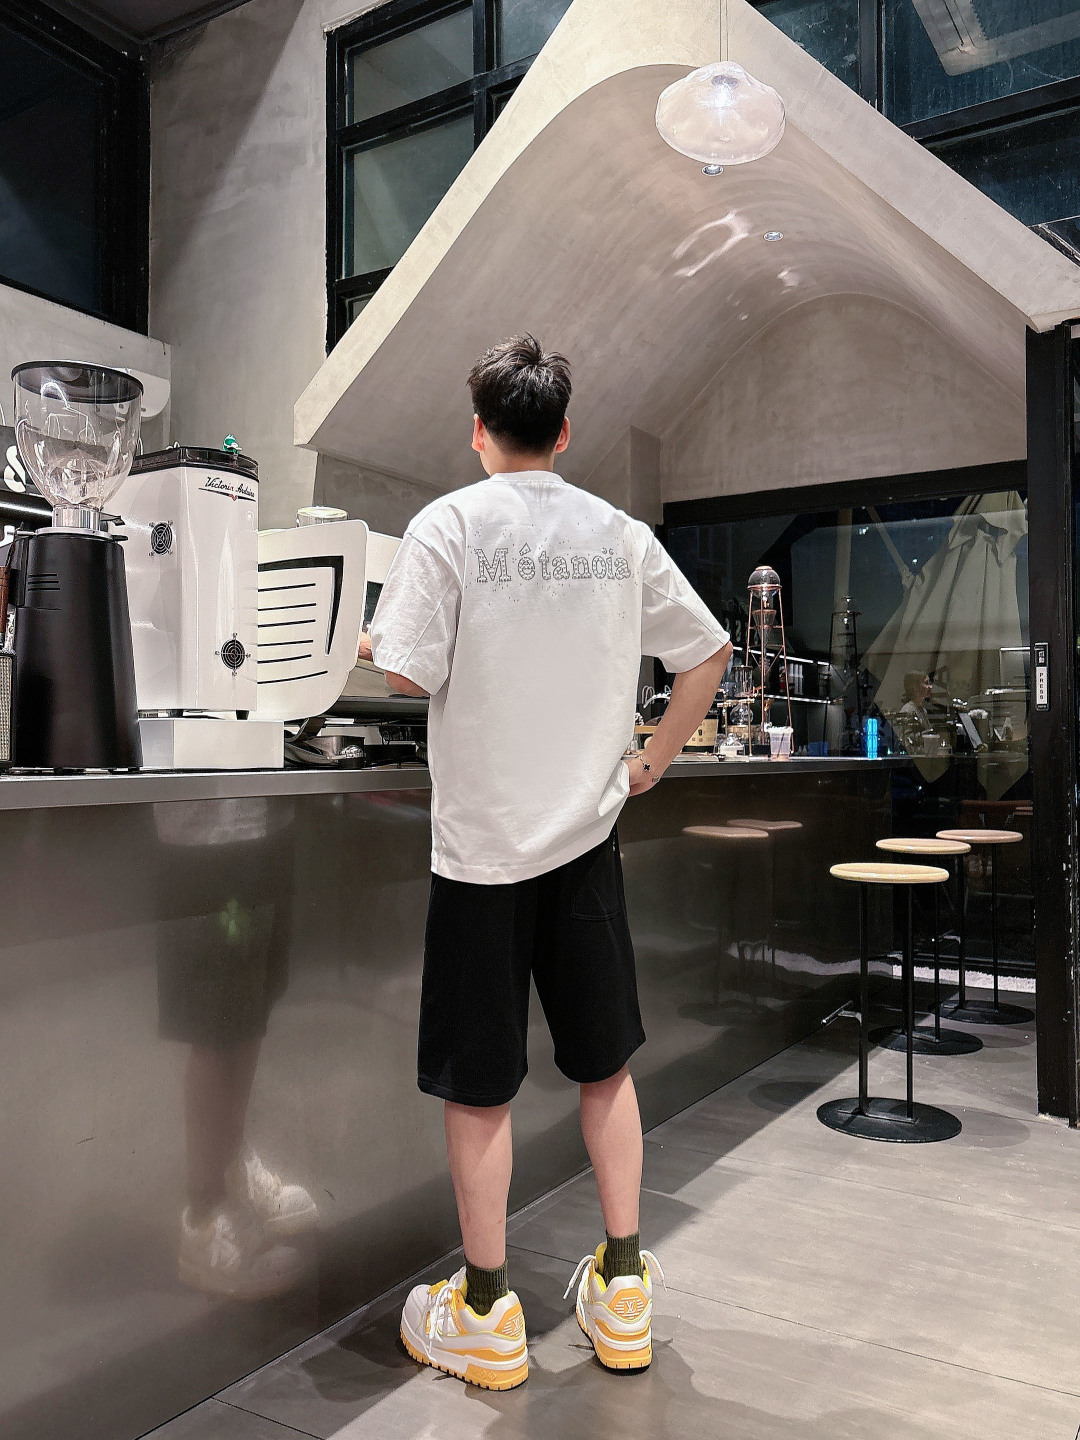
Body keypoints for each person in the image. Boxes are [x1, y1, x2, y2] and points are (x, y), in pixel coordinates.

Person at [359, 334, 732, 1390]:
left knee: (479, 1088)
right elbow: (709, 652)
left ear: (479, 430)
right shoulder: (619, 536)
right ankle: (623, 1290)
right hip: (585, 845)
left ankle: (485, 1311)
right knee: (604, 1069)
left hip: (481, 854)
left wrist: (370, 643)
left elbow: (406, 673)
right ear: (563, 433)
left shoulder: (447, 525)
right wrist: (652, 759)